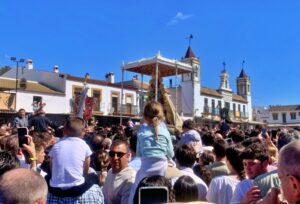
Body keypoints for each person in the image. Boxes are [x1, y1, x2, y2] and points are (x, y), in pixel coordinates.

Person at [47, 117, 104, 203]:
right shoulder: (84, 145)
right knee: (93, 177)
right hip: (78, 186)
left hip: (55, 186)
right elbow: (86, 168)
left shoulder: (56, 145)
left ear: (65, 131)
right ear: (83, 132)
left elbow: (51, 166)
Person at [128, 101, 174, 203]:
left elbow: (139, 154)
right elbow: (171, 154)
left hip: (145, 172)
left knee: (134, 191)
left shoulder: (141, 133)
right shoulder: (166, 133)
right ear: (161, 116)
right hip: (163, 172)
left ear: (145, 116)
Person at [102, 139, 136, 204]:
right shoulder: (110, 171)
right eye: (112, 154)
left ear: (128, 156)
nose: (115, 158)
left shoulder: (130, 179)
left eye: (119, 154)